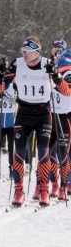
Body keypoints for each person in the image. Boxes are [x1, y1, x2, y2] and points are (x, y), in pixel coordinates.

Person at [0, 36, 71, 207]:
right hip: (23, 112)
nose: (24, 54)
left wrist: (57, 76)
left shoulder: (47, 64)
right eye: (23, 51)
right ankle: (18, 190)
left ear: (36, 52)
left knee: (43, 151)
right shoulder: (16, 64)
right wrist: (1, 76)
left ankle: (44, 190)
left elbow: (66, 92)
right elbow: (0, 90)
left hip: (43, 113)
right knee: (19, 152)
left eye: (27, 52)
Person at [53, 49, 71, 198]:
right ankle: (52, 184)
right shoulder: (56, 71)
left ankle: (66, 184)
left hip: (66, 115)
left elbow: (66, 90)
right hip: (53, 113)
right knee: (50, 151)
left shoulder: (68, 73)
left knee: (64, 151)